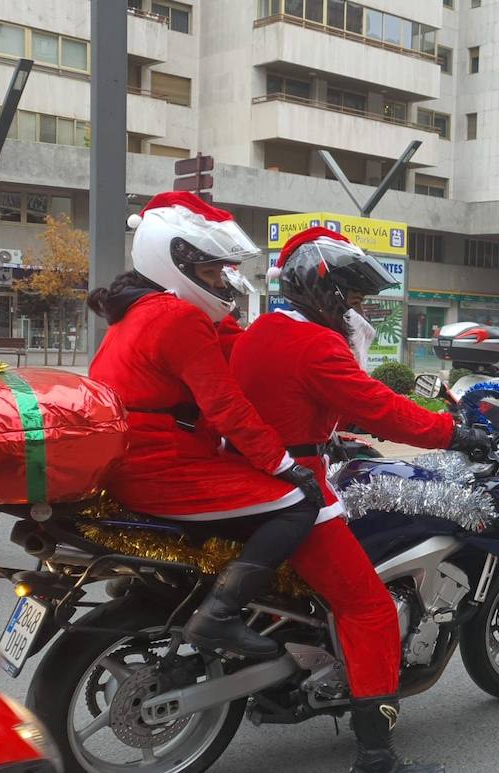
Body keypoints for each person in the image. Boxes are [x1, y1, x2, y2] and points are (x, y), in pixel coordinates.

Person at [233, 227, 488, 773]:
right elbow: (380, 407)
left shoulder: (265, 330)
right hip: (292, 485)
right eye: (351, 294)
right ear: (320, 287)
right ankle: (376, 756)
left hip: (252, 472)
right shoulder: (316, 343)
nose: (357, 306)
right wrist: (454, 432)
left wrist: (332, 434)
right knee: (369, 608)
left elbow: (301, 400)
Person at [88, 192, 326, 658]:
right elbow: (225, 406)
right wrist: (283, 463)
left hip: (132, 457)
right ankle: (220, 614)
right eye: (211, 272)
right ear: (175, 263)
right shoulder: (178, 317)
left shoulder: (141, 309)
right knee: (298, 501)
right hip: (161, 465)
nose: (221, 282)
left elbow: (234, 350)